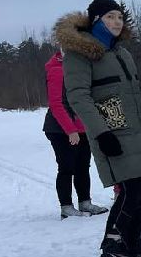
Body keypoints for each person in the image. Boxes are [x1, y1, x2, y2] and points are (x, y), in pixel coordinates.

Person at [57, 0, 141, 257]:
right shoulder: (79, 53)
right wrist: (101, 133)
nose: (117, 22)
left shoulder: (121, 53)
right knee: (130, 189)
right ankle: (113, 249)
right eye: (109, 17)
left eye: (119, 17)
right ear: (95, 20)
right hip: (112, 132)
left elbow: (137, 95)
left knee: (137, 188)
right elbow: (78, 97)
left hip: (137, 131)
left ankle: (132, 247)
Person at [43, 49, 108, 219]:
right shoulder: (57, 70)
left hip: (82, 127)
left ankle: (85, 203)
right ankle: (66, 207)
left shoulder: (78, 68)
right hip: (59, 129)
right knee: (66, 167)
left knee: (82, 166)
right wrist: (70, 130)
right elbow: (56, 104)